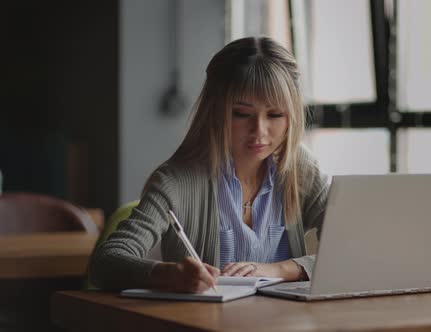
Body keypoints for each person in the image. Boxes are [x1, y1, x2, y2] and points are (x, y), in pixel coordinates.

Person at [89, 37, 329, 293]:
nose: (259, 131)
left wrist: (278, 270)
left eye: (275, 115)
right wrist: (167, 275)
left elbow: (354, 254)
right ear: (215, 110)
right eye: (242, 114)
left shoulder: (300, 168)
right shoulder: (175, 181)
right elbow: (106, 263)